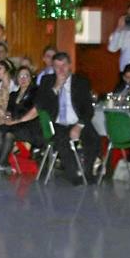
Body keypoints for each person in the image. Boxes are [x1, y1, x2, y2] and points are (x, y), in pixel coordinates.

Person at [25, 52, 100, 185]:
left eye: (64, 65)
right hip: (57, 124)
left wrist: (79, 125)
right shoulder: (47, 81)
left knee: (93, 138)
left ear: (70, 65)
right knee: (63, 141)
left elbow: (88, 108)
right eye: (57, 66)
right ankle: (75, 175)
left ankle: (87, 172)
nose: (61, 70)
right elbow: (41, 105)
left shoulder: (81, 82)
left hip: (77, 121)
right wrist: (56, 88)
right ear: (53, 67)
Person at [0, 66, 44, 175]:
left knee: (9, 134)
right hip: (15, 125)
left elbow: (35, 112)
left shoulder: (36, 92)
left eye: (26, 76)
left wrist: (15, 121)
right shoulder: (13, 95)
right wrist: (7, 117)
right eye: (20, 76)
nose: (23, 78)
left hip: (30, 125)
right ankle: (4, 163)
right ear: (17, 79)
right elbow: (9, 112)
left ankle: (0, 164)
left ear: (31, 78)